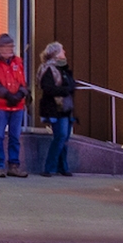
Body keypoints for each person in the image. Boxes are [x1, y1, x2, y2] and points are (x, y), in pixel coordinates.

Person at [0, 33, 31, 177]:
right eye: (8, 46)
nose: (11, 49)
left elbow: (22, 82)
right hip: (1, 106)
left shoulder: (18, 61)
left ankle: (14, 165)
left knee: (15, 136)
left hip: (17, 106)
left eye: (12, 46)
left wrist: (20, 94)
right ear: (0, 48)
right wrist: (7, 95)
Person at [34, 41, 77, 175]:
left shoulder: (62, 68)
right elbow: (47, 88)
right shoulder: (48, 68)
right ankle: (50, 167)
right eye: (62, 50)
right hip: (55, 108)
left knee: (64, 138)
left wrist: (68, 88)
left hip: (65, 107)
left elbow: (71, 84)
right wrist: (65, 90)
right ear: (56, 54)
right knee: (61, 136)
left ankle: (62, 166)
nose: (64, 52)